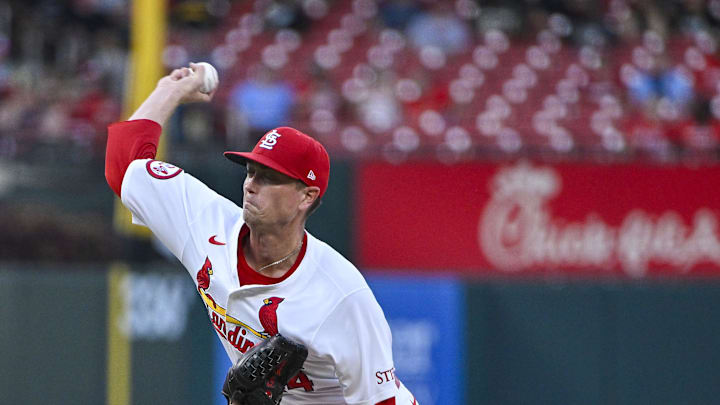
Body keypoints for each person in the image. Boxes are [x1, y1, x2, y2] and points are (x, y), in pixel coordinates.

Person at [104, 63, 418, 405]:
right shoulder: (207, 224)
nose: (251, 185)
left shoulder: (342, 295)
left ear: (306, 196)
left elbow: (381, 401)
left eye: (269, 177)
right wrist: (170, 90)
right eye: (251, 171)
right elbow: (124, 167)